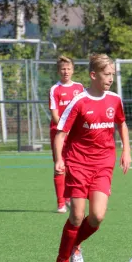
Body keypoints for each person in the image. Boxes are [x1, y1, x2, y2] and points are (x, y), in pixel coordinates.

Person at [47, 53, 132, 262]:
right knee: (76, 216)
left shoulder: (115, 99)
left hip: (104, 163)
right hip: (78, 163)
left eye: (113, 74)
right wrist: (58, 160)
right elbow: (61, 134)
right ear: (93, 75)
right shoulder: (79, 101)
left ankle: (76, 245)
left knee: (97, 216)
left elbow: (122, 124)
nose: (111, 78)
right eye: (106, 74)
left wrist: (126, 151)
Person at [48, 55, 85, 213]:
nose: (66, 71)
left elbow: (84, 109)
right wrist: (65, 128)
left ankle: (70, 197)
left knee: (74, 166)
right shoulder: (55, 89)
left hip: (75, 134)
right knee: (60, 166)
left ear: (73, 70)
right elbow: (55, 114)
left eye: (69, 68)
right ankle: (61, 203)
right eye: (63, 68)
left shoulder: (79, 88)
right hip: (59, 133)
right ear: (58, 71)